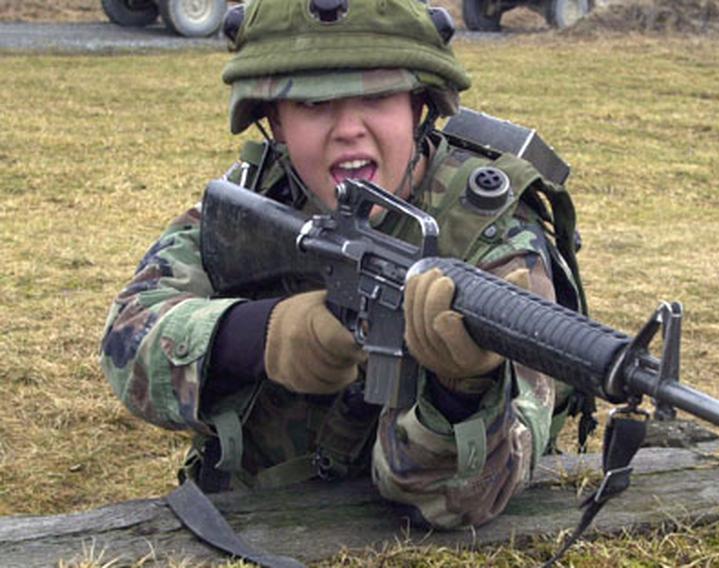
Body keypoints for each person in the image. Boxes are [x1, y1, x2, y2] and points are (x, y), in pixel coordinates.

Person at [100, 0, 586, 530]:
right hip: (252, 520)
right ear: (275, 124)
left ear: (419, 107)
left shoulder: (494, 236)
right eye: (312, 103)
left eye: (377, 96)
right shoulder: (259, 199)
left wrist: (459, 391)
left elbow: (458, 501)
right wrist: (264, 334)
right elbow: (128, 342)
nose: (348, 128)